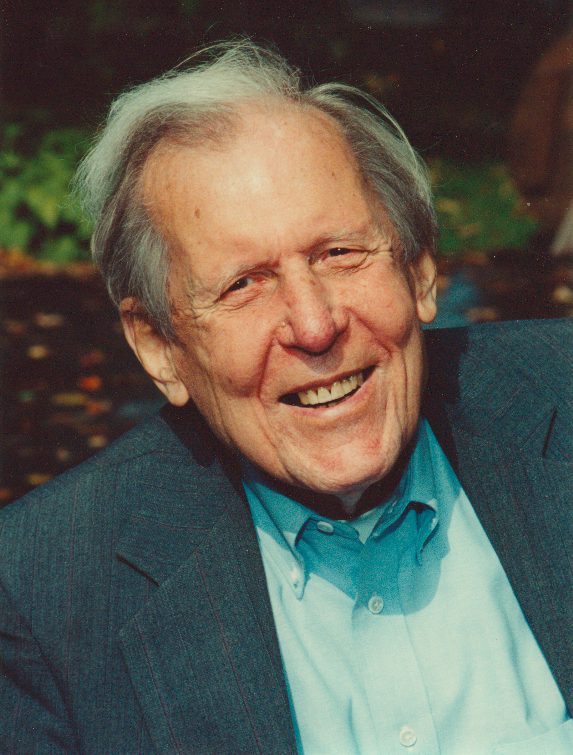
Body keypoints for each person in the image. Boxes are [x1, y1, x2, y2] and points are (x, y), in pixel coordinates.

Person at [0, 41, 571, 755]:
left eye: (340, 253)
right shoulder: (46, 595)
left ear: (420, 270)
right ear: (159, 346)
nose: (314, 324)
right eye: (243, 284)